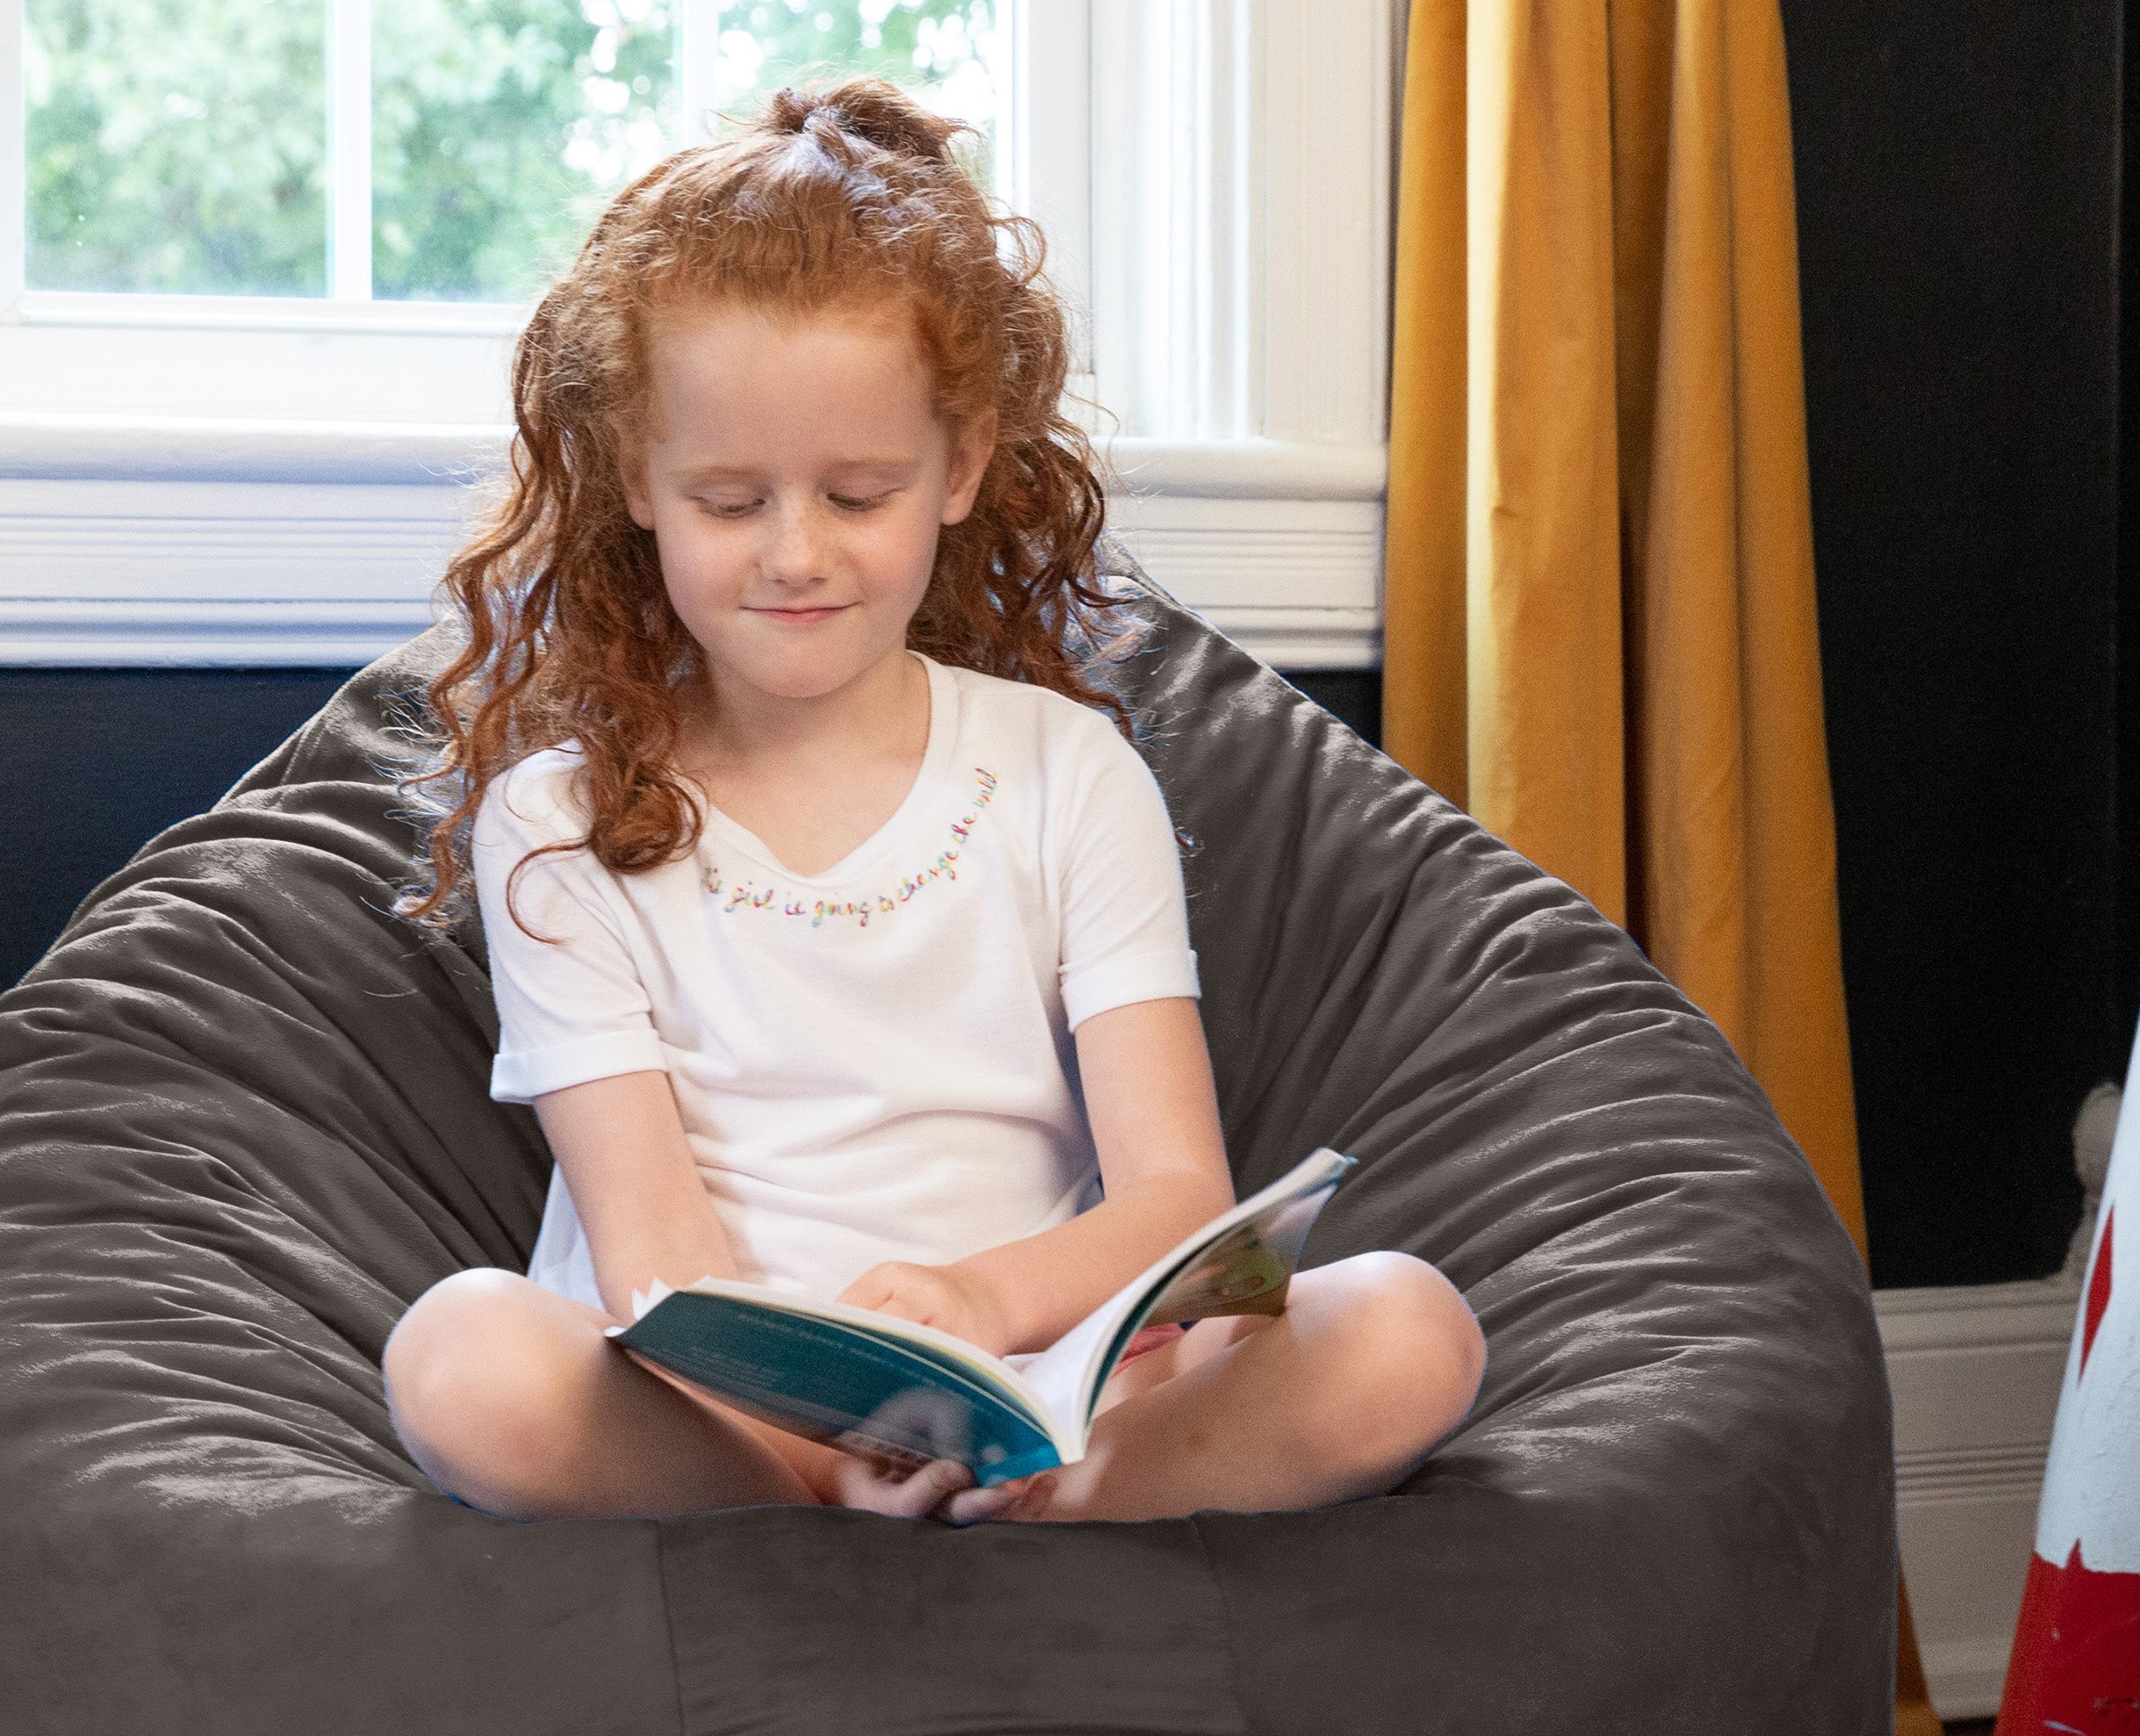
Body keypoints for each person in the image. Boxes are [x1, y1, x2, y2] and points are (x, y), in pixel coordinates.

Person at [383, 78, 1483, 1524]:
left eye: (857, 495)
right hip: (728, 1411)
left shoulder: (1067, 771)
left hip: (1036, 1368)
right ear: (637, 481)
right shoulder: (562, 822)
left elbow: (1176, 1197)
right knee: (464, 1354)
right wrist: (829, 1428)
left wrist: (981, 1306)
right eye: (728, 500)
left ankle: (1034, 1494)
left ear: (959, 468)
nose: (795, 553)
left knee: (1407, 1327)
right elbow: (653, 1262)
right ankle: (845, 1506)